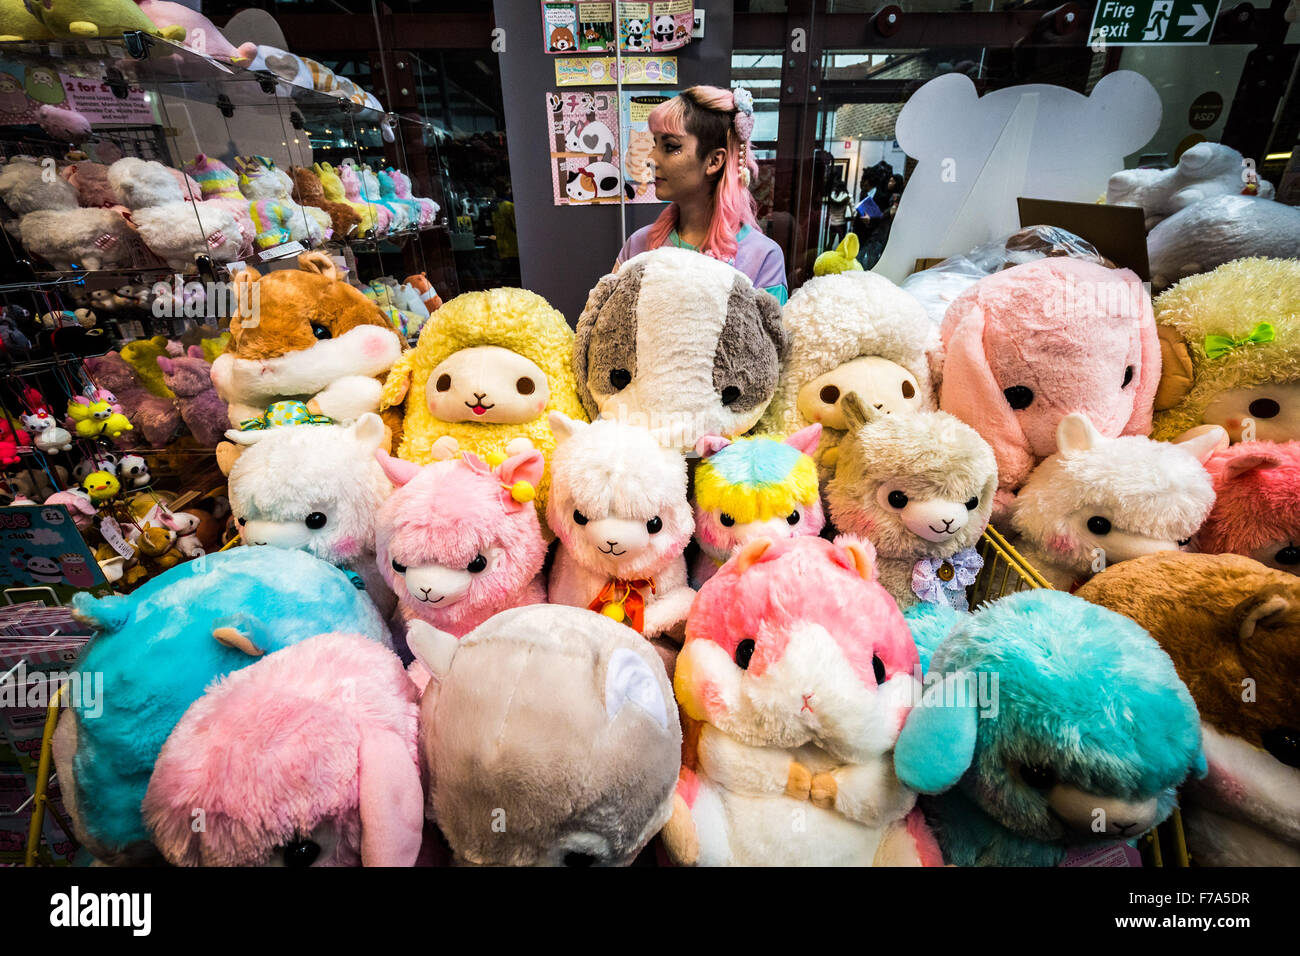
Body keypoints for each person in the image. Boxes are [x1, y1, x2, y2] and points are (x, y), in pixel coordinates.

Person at [613, 85, 788, 303]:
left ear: (714, 160)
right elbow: (610, 328)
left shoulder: (762, 258)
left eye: (670, 147)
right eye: (654, 144)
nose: (652, 158)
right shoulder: (638, 245)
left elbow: (767, 336)